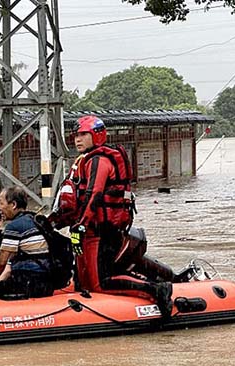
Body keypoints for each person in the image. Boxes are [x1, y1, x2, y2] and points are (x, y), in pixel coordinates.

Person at [64, 115, 173, 318]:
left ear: (96, 135)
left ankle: (156, 290)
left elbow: (94, 194)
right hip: (86, 229)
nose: (77, 139)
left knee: (101, 283)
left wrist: (80, 224)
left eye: (83, 135)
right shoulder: (83, 161)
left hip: (102, 230)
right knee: (83, 282)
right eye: (76, 135)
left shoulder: (100, 160)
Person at [0, 187, 54, 299]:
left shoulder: (14, 226)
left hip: (28, 282)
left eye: (1, 203)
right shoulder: (33, 219)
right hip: (46, 282)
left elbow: (1, 263)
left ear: (13, 205)